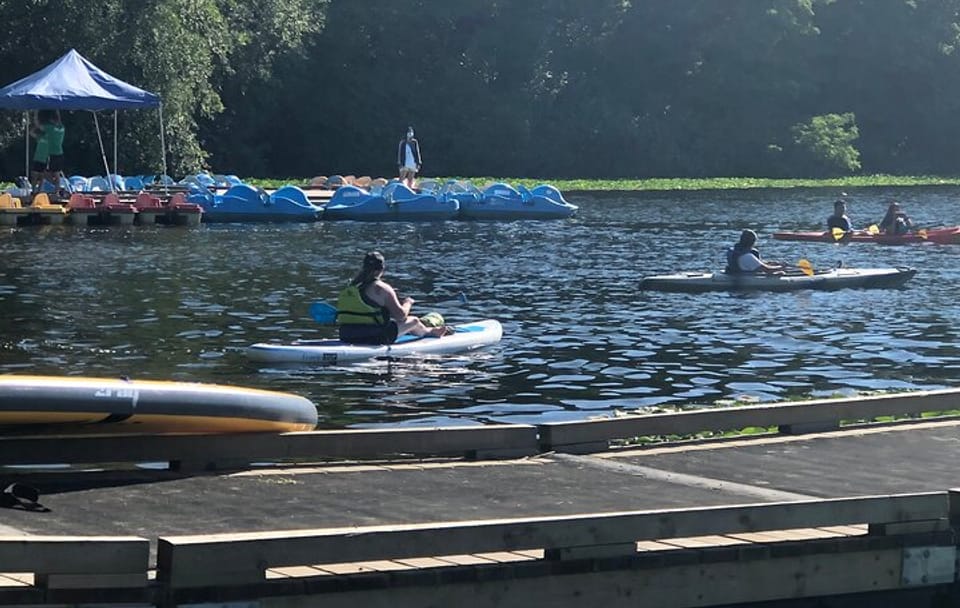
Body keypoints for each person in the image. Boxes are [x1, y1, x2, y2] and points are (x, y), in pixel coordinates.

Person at [336, 251, 452, 345]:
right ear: (381, 269)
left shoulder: (351, 287)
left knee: (392, 323)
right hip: (374, 338)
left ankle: (423, 330)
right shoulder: (382, 288)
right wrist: (408, 303)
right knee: (414, 321)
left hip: (346, 335)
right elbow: (401, 316)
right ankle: (429, 332)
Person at [29, 111, 50, 192]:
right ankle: (33, 190)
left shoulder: (51, 138)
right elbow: (31, 133)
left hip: (44, 159)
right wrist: (35, 127)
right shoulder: (40, 137)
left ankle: (39, 191)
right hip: (37, 158)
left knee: (42, 176)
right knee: (34, 175)